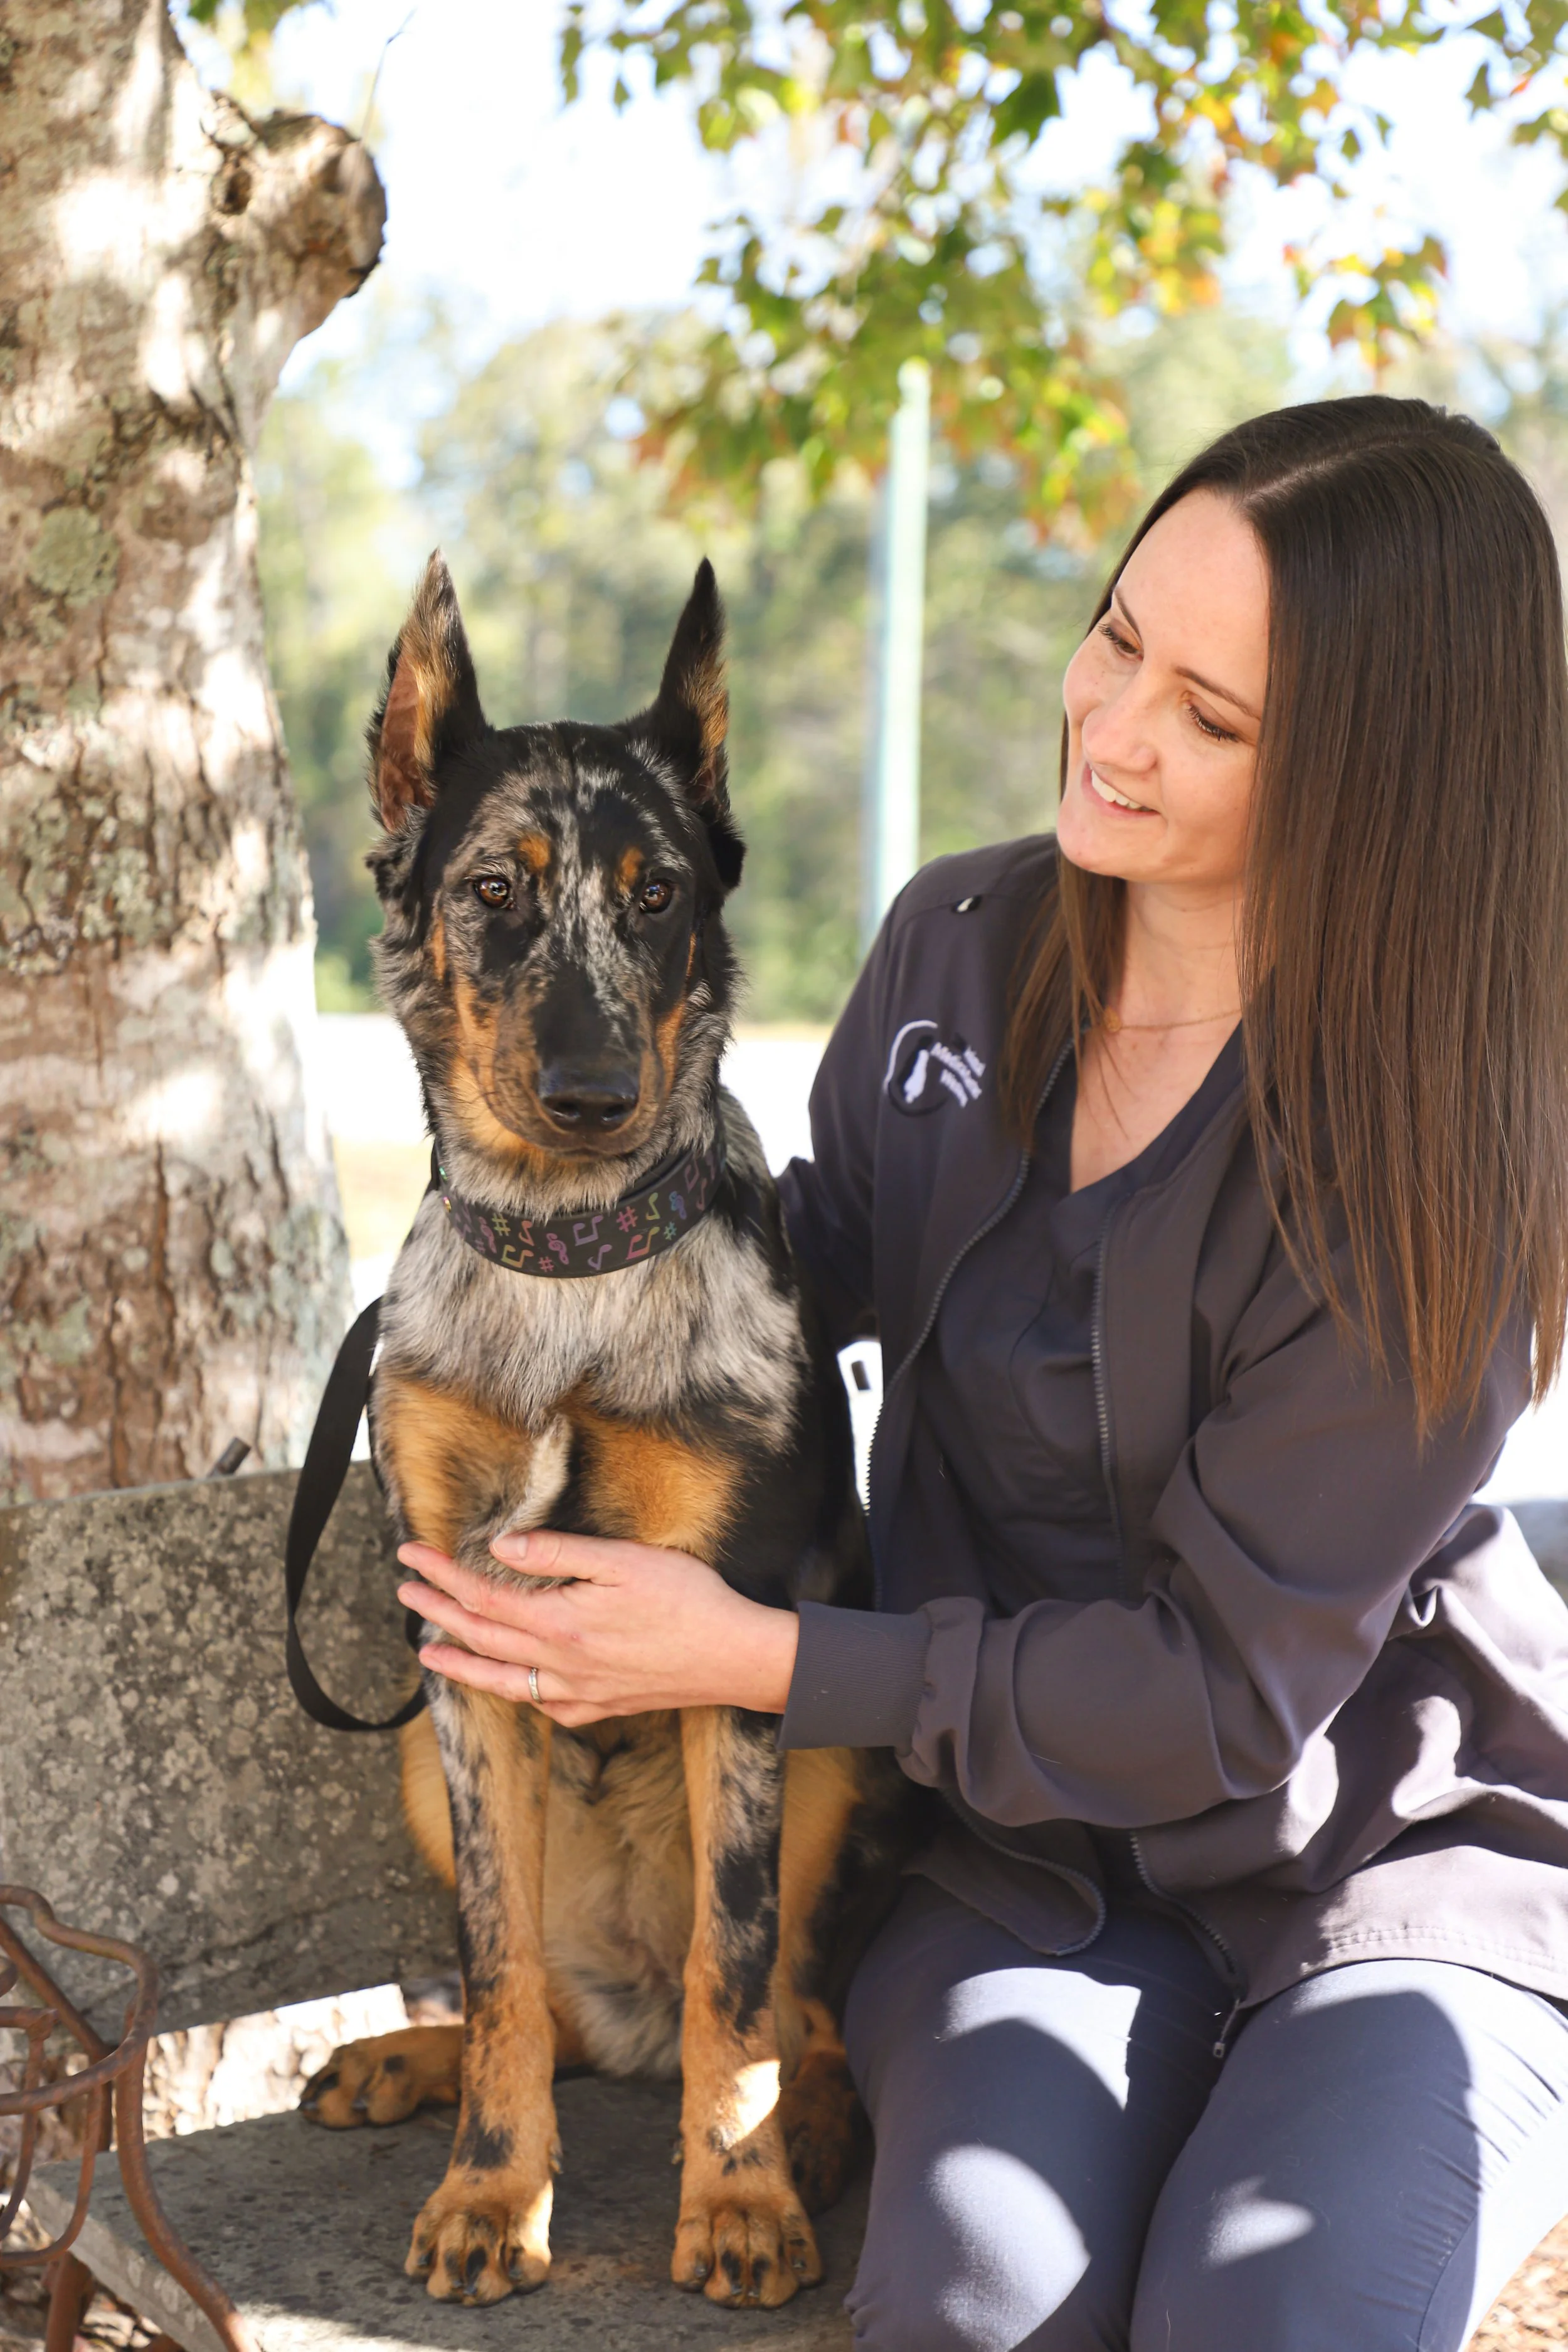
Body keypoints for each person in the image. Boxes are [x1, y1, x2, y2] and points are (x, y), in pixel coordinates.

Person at [394, 395, 1568, 2351]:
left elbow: (1210, 1700)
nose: (1109, 731)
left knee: (1271, 2320)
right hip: (1020, 1869)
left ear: (1376, 776)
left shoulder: (1429, 1156)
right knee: (976, 2310)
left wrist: (758, 1655)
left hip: (1374, 1873)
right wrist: (517, 1257)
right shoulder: (959, 940)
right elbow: (807, 1258)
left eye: (1212, 718)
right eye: (1117, 638)